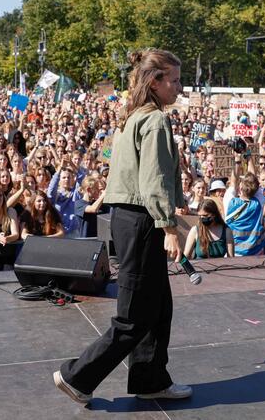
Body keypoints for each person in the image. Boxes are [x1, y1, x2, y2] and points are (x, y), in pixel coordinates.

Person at [55, 48, 191, 405]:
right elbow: (153, 179)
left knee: (158, 306)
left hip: (129, 218)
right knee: (134, 316)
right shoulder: (155, 121)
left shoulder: (133, 117)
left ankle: (150, 381)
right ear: (155, 82)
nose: (179, 87)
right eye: (174, 80)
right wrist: (169, 227)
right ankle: (78, 376)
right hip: (145, 220)